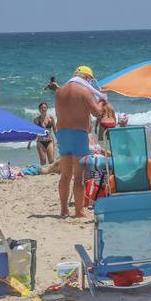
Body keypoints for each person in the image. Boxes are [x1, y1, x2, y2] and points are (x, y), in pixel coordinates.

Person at [54, 65, 104, 217]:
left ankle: (63, 210)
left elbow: (58, 113)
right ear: (87, 78)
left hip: (62, 133)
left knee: (65, 175)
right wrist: (102, 100)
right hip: (78, 134)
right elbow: (97, 113)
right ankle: (79, 211)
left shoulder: (60, 91)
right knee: (79, 177)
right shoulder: (85, 91)